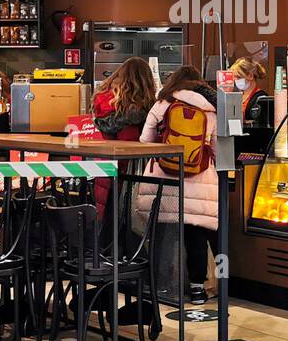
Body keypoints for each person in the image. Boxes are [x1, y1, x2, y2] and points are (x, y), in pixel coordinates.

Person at [137, 65, 219, 305]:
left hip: (163, 180)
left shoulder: (162, 103)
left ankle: (161, 285)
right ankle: (196, 289)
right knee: (196, 236)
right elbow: (215, 147)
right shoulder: (209, 108)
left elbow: (144, 141)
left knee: (162, 233)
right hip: (199, 179)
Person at [91, 57, 158, 219]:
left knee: (107, 220)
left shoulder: (103, 99)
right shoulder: (139, 108)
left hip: (105, 168)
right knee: (128, 221)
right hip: (130, 171)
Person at [228, 56, 269, 125]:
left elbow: (261, 124)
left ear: (250, 76)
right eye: (234, 78)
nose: (235, 80)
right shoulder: (238, 97)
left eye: (238, 77)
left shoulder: (261, 98)